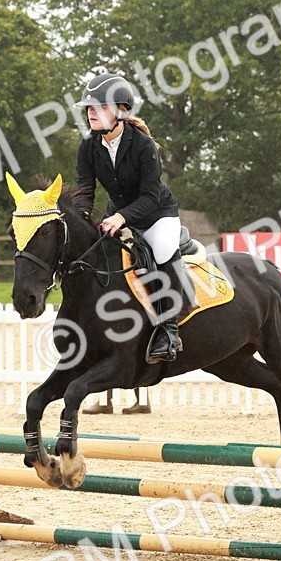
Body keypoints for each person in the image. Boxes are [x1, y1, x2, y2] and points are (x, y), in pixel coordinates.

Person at [75, 72, 194, 363]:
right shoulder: (88, 147)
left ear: (120, 111)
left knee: (163, 249)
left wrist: (121, 218)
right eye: (89, 107)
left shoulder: (143, 146)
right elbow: (85, 192)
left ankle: (169, 329)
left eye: (99, 106)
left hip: (157, 215)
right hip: (118, 213)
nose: (91, 112)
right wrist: (80, 219)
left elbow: (150, 197)